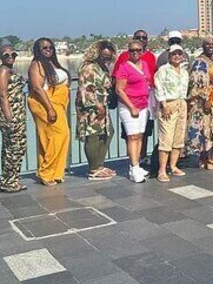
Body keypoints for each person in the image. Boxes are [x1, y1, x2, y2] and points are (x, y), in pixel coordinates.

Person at [28, 38, 71, 186]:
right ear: (38, 50)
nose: (48, 50)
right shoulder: (36, 64)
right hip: (46, 103)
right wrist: (50, 108)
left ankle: (55, 172)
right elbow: (37, 88)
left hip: (57, 103)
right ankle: (46, 172)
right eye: (44, 48)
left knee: (57, 136)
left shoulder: (52, 63)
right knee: (56, 136)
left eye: (50, 47)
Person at [186, 36, 213, 170]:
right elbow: (196, 83)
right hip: (208, 101)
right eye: (207, 44)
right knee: (212, 129)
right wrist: (205, 100)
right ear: (203, 45)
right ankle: (212, 158)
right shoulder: (199, 62)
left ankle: (206, 158)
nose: (210, 46)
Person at [114, 29, 157, 167]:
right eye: (138, 37)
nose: (141, 39)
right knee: (131, 134)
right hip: (129, 102)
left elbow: (152, 76)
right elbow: (117, 82)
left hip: (146, 100)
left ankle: (142, 157)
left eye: (144, 38)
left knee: (143, 132)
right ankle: (133, 162)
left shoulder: (149, 58)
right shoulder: (123, 59)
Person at [76, 40, 117, 181]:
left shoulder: (102, 67)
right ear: (96, 54)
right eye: (103, 56)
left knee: (107, 132)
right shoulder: (88, 68)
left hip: (103, 105)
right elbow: (86, 89)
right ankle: (93, 169)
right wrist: (96, 105)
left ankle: (99, 164)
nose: (106, 59)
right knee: (93, 135)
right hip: (91, 108)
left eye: (108, 57)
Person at [0, 43, 29, 193]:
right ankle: (8, 181)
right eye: (6, 55)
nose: (10, 57)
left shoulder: (10, 70)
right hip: (9, 114)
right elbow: (2, 95)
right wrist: (9, 117)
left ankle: (12, 179)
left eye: (13, 54)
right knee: (14, 147)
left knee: (16, 147)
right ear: (0, 56)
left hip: (17, 113)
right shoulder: (2, 71)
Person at [154, 44, 189, 182]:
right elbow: (159, 87)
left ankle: (173, 166)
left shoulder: (184, 71)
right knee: (166, 137)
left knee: (178, 136)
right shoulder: (163, 70)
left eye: (179, 54)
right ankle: (162, 170)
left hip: (181, 103)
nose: (177, 56)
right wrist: (163, 104)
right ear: (169, 56)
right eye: (174, 54)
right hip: (169, 103)